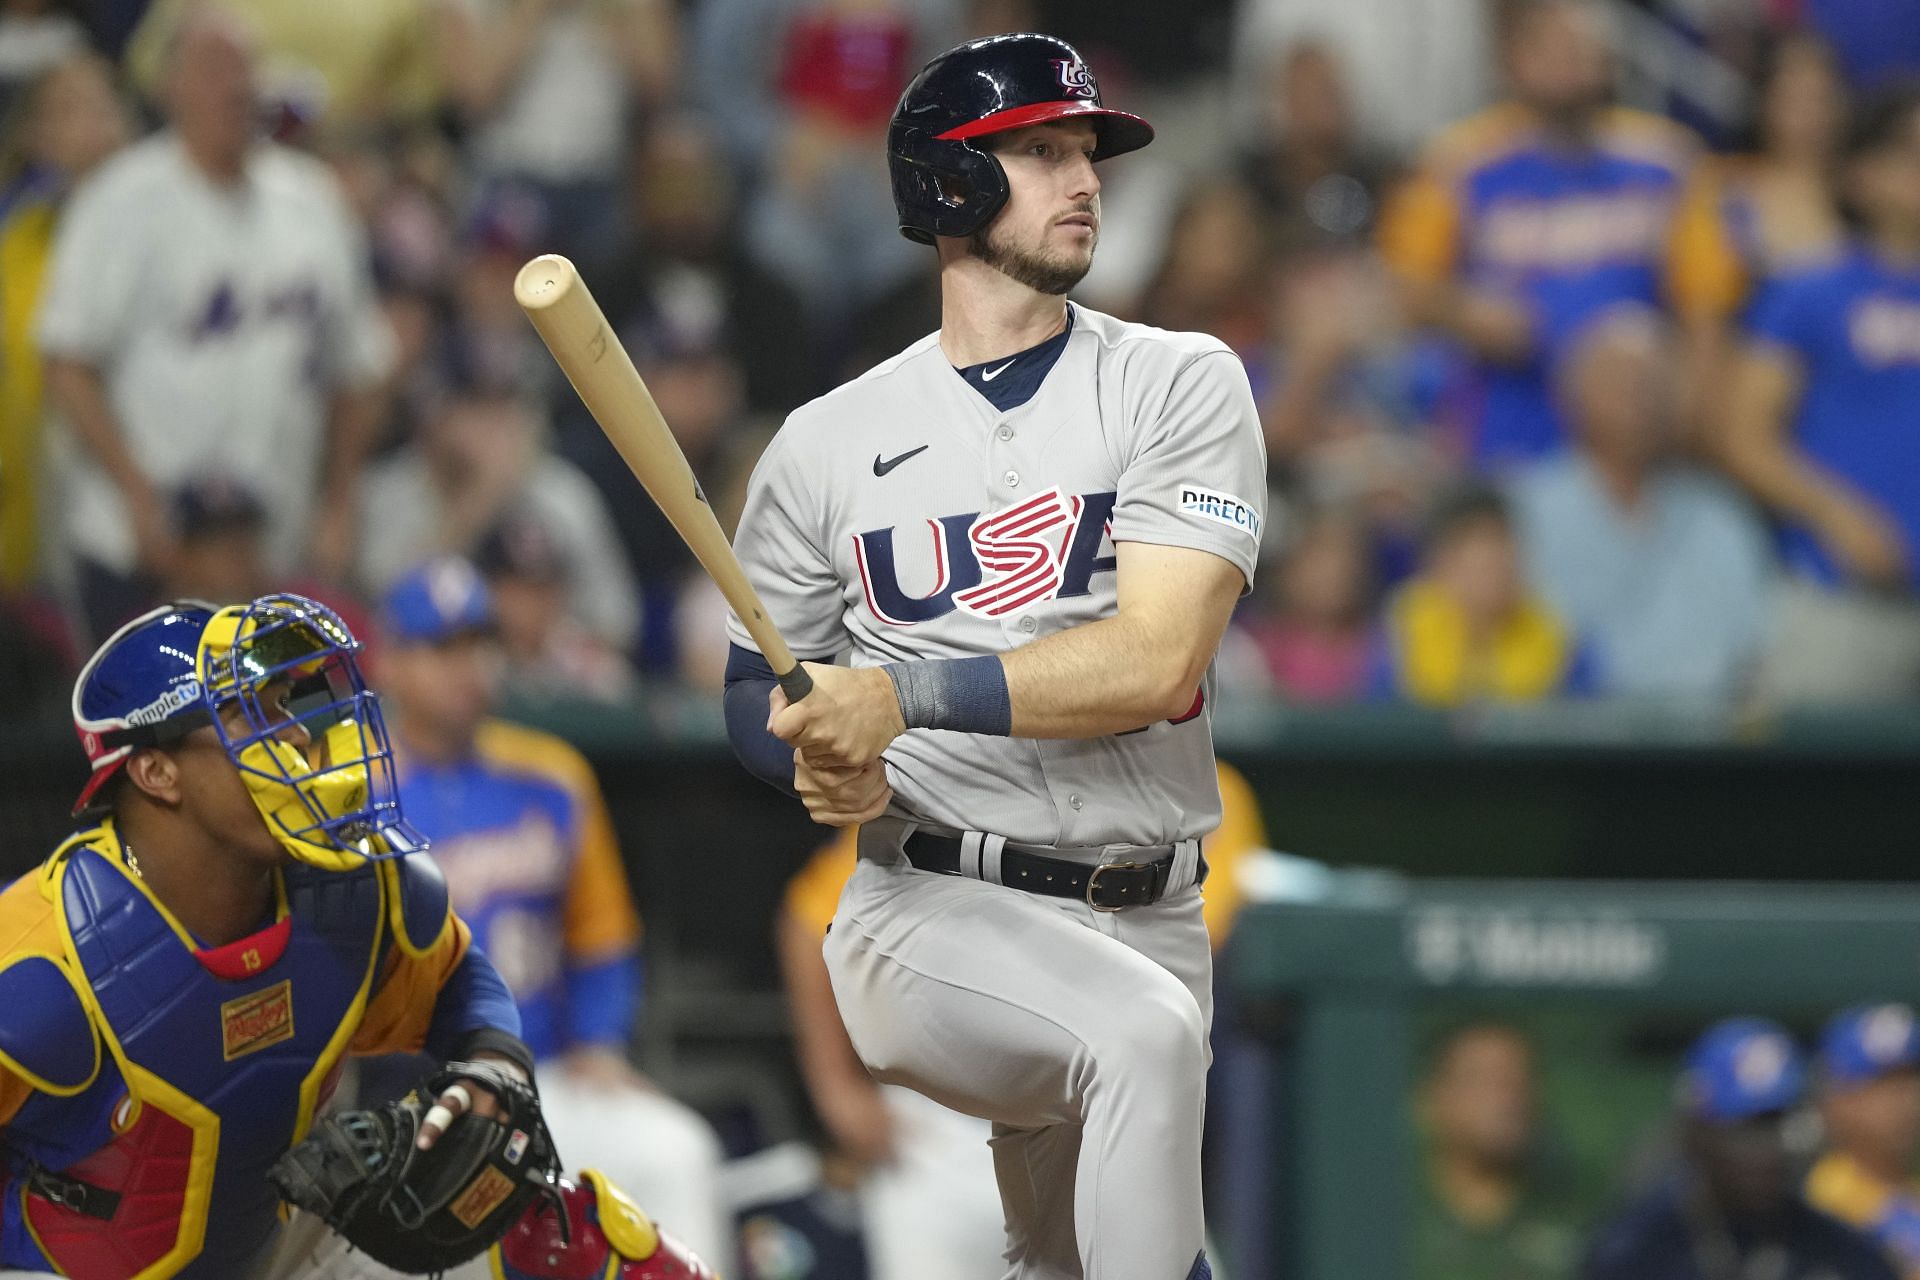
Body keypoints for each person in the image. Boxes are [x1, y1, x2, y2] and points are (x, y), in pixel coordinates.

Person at [723, 33, 1266, 1280]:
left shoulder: (1178, 383)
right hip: (934, 904)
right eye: (1041, 151)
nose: (1084, 177)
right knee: (1140, 1040)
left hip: (1154, 903)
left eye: (1085, 150)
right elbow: (759, 692)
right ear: (949, 184)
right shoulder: (823, 444)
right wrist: (812, 757)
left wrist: (892, 699)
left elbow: (1154, 661)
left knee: (1067, 1252)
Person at [0, 592, 711, 1279]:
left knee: (580, 1245)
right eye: (251, 718)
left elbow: (458, 978)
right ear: (157, 772)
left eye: (282, 706)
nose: (300, 735)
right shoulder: (36, 962)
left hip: (274, 1247)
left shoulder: (349, 893)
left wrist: (493, 1065)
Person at [774, 760, 1269, 1280]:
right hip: (940, 1125)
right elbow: (810, 921)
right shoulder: (951, 764)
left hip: (1105, 1115)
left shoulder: (1201, 778)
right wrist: (838, 1092)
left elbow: (1187, 951)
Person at [373, 559, 731, 1268]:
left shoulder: (552, 774)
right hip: (416, 1093)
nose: (465, 667)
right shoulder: (353, 792)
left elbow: (602, 940)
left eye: (477, 645)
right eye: (440, 648)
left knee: (680, 1152)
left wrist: (601, 1039)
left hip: (550, 1075)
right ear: (393, 661)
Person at [36, 6, 390, 641]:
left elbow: (358, 368)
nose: (234, 86)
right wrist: (136, 495)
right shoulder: (118, 200)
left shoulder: (312, 201)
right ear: (170, 86)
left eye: (243, 67)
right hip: (140, 547)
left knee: (271, 732)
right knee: (150, 737)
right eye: (211, 68)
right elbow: (66, 364)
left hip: (269, 546)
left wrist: (338, 501)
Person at [1377, 0, 1700, 467]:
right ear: (1514, 62)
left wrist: (1686, 415)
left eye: (1581, 48)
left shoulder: (1666, 161)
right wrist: (1467, 312)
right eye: (1550, 49)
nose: (1567, 63)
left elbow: (1705, 310)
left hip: (1641, 419)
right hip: (1509, 415)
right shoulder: (1459, 163)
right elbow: (1405, 287)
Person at [1723, 85, 1920, 702]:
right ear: (1863, 175)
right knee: (1809, 787)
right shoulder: (1811, 292)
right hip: (1844, 597)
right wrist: (1839, 516)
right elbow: (1742, 435)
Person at [1507, 306, 1773, 699]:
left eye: (1653, 382)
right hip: (1563, 742)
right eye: (1620, 379)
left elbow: (1755, 649)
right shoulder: (1520, 508)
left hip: (1702, 746)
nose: (1638, 396)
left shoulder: (1719, 514)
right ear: (1572, 394)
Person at [1584, 1017, 1899, 1280]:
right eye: (1744, 1127)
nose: (1764, 1150)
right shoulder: (1635, 1252)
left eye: (1776, 1125)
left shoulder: (1847, 1253)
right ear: (1695, 1134)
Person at [0, 50, 130, 589]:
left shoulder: (153, 223)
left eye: (100, 105)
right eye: (66, 110)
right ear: (34, 135)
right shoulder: (24, 236)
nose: (90, 124)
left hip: (136, 481)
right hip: (38, 492)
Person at [1370, 486, 1592, 705]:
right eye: (1474, 547)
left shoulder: (1560, 641)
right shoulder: (1399, 642)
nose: (1495, 562)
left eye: (1502, 542)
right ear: (1438, 564)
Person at [1417, 1022, 1584, 1280]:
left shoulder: (1580, 1220)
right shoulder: (1386, 1225)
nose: (1508, 1098)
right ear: (1432, 1100)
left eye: (1520, 1080)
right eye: (1484, 1080)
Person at [1807, 1004, 1920, 1278]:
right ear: (1835, 1100)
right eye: (1880, 1083)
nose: (1903, 1100)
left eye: (1910, 1078)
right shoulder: (1819, 1199)